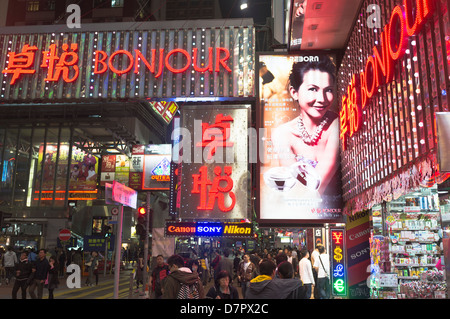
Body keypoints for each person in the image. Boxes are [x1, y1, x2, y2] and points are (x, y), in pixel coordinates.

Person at [271, 56, 339, 197]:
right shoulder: (281, 133)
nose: (322, 99)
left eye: (328, 90)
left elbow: (317, 185)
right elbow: (297, 187)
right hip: (297, 210)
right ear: (294, 92)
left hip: (340, 214)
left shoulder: (337, 124)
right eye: (313, 89)